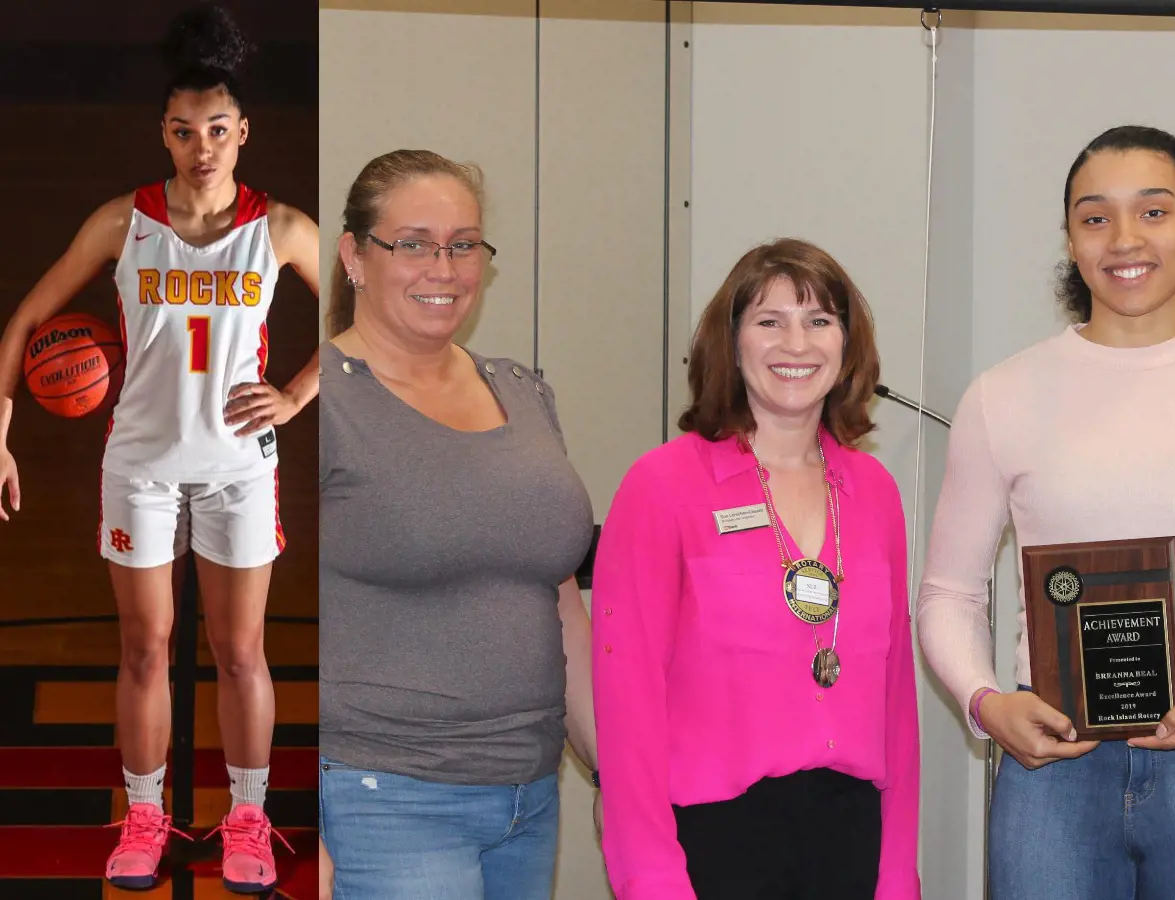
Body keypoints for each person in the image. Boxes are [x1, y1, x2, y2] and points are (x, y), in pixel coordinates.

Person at [0, 4, 319, 893]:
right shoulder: (122, 224)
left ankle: (248, 819)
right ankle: (144, 813)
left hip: (237, 465)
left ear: (243, 131)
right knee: (144, 647)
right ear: (165, 135)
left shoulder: (282, 228)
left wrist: (294, 394)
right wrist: (2, 437)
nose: (201, 146)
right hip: (138, 462)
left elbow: (363, 320)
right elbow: (25, 320)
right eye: (184, 132)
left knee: (242, 649)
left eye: (217, 129)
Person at [917, 124, 1175, 900]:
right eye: (1095, 216)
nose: (1123, 239)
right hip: (1055, 765)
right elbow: (950, 594)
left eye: (1153, 211)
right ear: (1071, 240)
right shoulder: (1003, 396)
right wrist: (986, 704)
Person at [591, 238, 921, 900]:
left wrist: (896, 877)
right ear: (732, 343)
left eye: (819, 321)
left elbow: (896, 702)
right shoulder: (663, 486)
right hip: (711, 848)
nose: (796, 343)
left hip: (850, 840)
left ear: (847, 346)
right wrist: (651, 881)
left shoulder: (875, 491)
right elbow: (626, 709)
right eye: (769, 321)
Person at [317, 148, 599, 900]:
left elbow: (559, 595)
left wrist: (611, 766)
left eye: (464, 244)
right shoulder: (314, 399)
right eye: (412, 243)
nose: (443, 267)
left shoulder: (521, 390)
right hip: (383, 797)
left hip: (528, 798)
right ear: (354, 256)